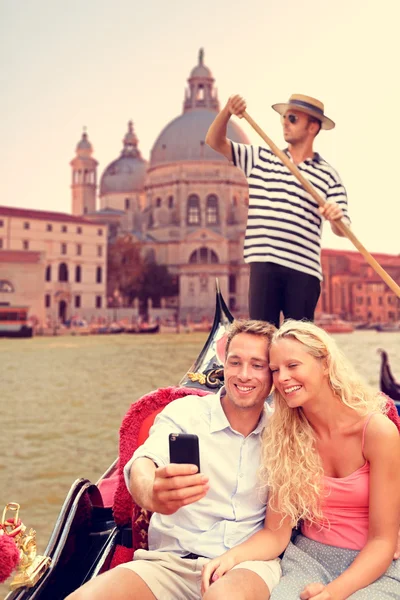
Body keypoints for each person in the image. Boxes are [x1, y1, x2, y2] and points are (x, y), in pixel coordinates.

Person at [66, 319, 282, 600]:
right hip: (170, 564)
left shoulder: (283, 434)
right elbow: (143, 462)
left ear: (273, 374)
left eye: (257, 365)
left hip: (247, 565)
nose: (243, 375)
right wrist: (150, 492)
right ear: (223, 365)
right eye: (235, 362)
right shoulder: (185, 412)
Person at [202, 320, 400, 599]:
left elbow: (382, 541)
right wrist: (231, 558)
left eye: (293, 366)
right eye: (275, 370)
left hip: (374, 565)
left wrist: (331, 594)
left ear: (325, 364)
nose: (282, 378)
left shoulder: (377, 432)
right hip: (308, 561)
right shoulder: (284, 437)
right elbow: (276, 534)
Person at [206, 94, 351, 327]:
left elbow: (343, 229)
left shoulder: (328, 175)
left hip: (304, 269)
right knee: (263, 337)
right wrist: (227, 112)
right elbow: (214, 141)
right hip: (263, 263)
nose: (285, 122)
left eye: (292, 118)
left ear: (312, 127)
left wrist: (336, 217)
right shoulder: (260, 158)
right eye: (284, 117)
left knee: (298, 342)